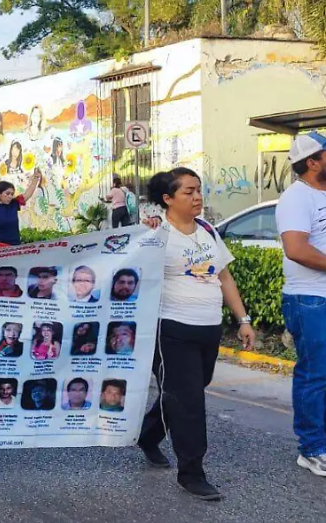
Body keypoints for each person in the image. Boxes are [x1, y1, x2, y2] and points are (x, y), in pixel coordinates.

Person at [136, 166, 255, 500]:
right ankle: (192, 473)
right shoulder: (156, 235)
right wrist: (145, 236)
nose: (197, 197)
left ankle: (148, 434)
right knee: (189, 401)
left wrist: (242, 320)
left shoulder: (207, 230)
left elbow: (225, 278)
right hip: (171, 329)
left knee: (184, 390)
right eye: (188, 192)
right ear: (167, 199)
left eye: (198, 190)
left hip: (208, 329)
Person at [277, 133, 326, 477]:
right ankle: (312, 450)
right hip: (309, 298)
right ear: (313, 162)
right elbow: (295, 248)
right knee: (314, 375)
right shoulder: (296, 198)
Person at [0, 170, 43, 249]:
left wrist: (36, 178)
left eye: (12, 194)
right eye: (7, 193)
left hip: (15, 247)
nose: (10, 196)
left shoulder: (14, 204)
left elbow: (28, 193)